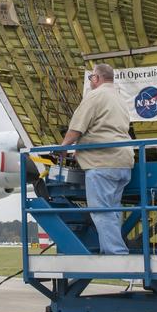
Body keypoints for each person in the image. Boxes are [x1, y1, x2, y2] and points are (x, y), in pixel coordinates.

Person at [61, 63, 133, 255]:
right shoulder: (119, 98)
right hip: (123, 161)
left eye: (91, 78)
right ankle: (114, 251)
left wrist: (62, 149)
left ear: (97, 78)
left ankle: (116, 255)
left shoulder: (95, 96)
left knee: (101, 212)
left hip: (102, 163)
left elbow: (76, 128)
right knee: (113, 211)